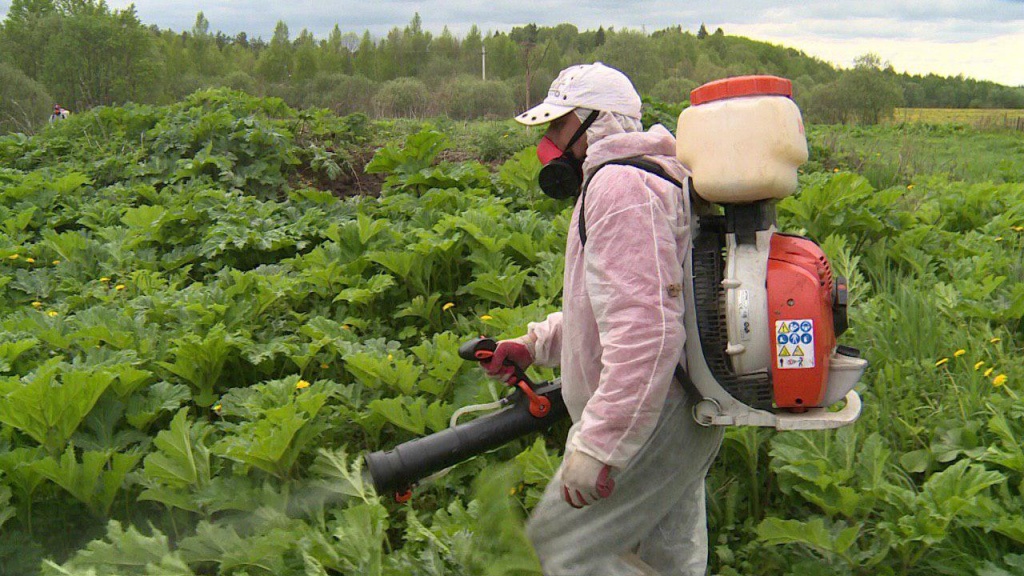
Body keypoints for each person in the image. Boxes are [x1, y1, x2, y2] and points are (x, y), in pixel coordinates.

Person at [481, 63, 724, 575]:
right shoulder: (647, 179)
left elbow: (647, 333)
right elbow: (612, 306)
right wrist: (536, 344)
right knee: (668, 559)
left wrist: (600, 445)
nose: (548, 144)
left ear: (597, 122)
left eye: (557, 126)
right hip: (680, 407)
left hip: (651, 415)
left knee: (558, 552)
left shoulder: (618, 189)